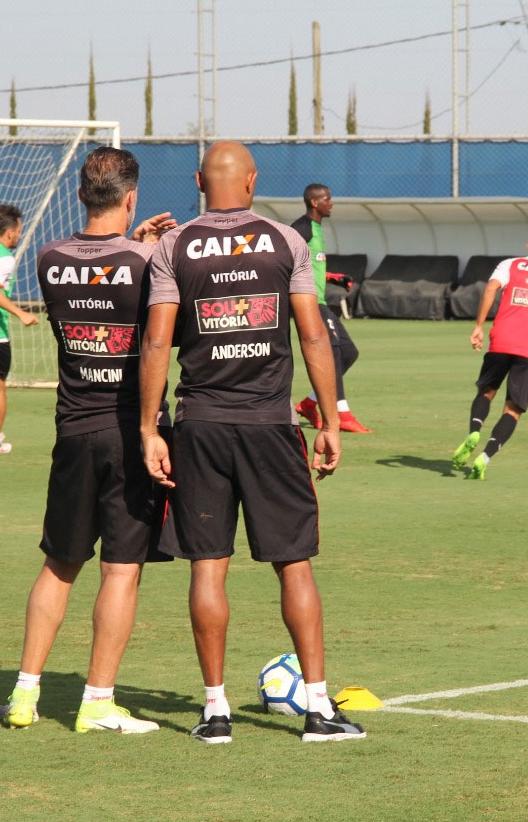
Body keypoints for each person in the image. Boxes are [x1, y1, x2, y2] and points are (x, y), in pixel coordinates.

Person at [139, 142, 365, 744]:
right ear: (253, 181)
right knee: (294, 564)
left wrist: (147, 427)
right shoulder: (284, 240)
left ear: (197, 181)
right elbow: (314, 335)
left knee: (208, 567)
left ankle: (216, 713)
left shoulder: (173, 245)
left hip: (200, 426)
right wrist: (328, 419)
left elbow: (156, 344)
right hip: (270, 425)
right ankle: (318, 709)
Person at [1, 148, 177, 733]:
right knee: (121, 569)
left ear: (81, 196)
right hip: (129, 431)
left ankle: (24, 694)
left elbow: (101, 270)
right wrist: (149, 245)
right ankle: (97, 700)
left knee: (59, 563)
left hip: (73, 429)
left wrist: (139, 243)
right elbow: (151, 314)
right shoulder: (150, 261)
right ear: (131, 198)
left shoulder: (50, 259)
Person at [451, 223, 528, 480]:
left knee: (486, 391)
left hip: (502, 339)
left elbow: (491, 288)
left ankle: (473, 430)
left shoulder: (511, 264)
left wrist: (479, 326)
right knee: (512, 410)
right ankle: (485, 456)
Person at [291, 183, 371, 433]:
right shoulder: (301, 228)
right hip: (308, 303)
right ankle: (341, 413)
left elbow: (310, 265)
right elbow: (285, 259)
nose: (331, 203)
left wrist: (333, 276)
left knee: (348, 353)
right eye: (327, 199)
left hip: (320, 301)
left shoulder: (317, 228)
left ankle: (309, 402)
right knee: (334, 351)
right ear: (315, 203)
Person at [0, 204, 40, 454]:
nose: (19, 235)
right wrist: (21, 313)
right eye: (19, 231)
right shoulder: (5, 257)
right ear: (9, 232)